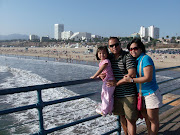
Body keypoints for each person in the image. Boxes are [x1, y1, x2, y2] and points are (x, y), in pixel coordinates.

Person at [124, 38, 162, 135]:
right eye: (130, 49)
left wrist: (131, 80)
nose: (133, 51)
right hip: (141, 94)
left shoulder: (145, 59)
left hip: (150, 93)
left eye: (135, 48)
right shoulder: (136, 60)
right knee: (146, 118)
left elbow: (148, 78)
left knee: (153, 119)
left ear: (141, 48)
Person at [105, 37, 138, 135]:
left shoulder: (127, 56)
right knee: (122, 118)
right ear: (109, 47)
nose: (114, 47)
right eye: (111, 46)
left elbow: (131, 74)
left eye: (116, 44)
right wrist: (102, 75)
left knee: (130, 120)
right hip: (116, 95)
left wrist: (117, 83)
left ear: (120, 44)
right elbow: (105, 69)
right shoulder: (110, 58)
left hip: (129, 94)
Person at [90, 46, 115, 116]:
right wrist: (99, 76)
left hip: (109, 81)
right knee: (105, 95)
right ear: (97, 54)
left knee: (107, 96)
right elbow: (103, 72)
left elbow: (101, 69)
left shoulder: (106, 61)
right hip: (106, 81)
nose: (102, 55)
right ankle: (109, 110)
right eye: (100, 53)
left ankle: (104, 111)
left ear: (107, 54)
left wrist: (94, 76)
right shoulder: (101, 62)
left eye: (104, 53)